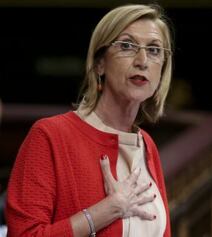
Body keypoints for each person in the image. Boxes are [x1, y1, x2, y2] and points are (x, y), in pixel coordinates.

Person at [5, 4, 173, 237]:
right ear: (99, 63)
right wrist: (105, 211)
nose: (142, 60)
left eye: (154, 50)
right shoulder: (50, 135)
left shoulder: (147, 146)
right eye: (127, 46)